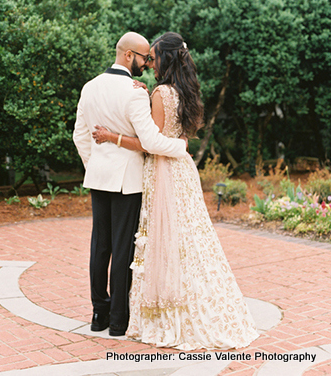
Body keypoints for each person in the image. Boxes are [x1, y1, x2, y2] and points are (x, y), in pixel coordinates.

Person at [92, 32, 259, 350]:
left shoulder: (160, 93)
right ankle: (196, 299)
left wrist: (112, 136)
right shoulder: (186, 91)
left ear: (165, 59)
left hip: (164, 170)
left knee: (163, 240)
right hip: (184, 173)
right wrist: (181, 146)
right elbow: (178, 133)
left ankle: (167, 310)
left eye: (153, 58)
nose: (149, 63)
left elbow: (148, 143)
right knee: (189, 240)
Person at [72, 32, 187, 337]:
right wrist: (180, 147)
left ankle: (99, 314)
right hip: (128, 180)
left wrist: (95, 164)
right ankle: (118, 320)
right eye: (144, 57)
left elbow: (79, 136)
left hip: (99, 177)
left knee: (100, 245)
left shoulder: (90, 86)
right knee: (123, 247)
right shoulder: (134, 92)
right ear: (127, 56)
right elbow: (150, 141)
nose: (148, 63)